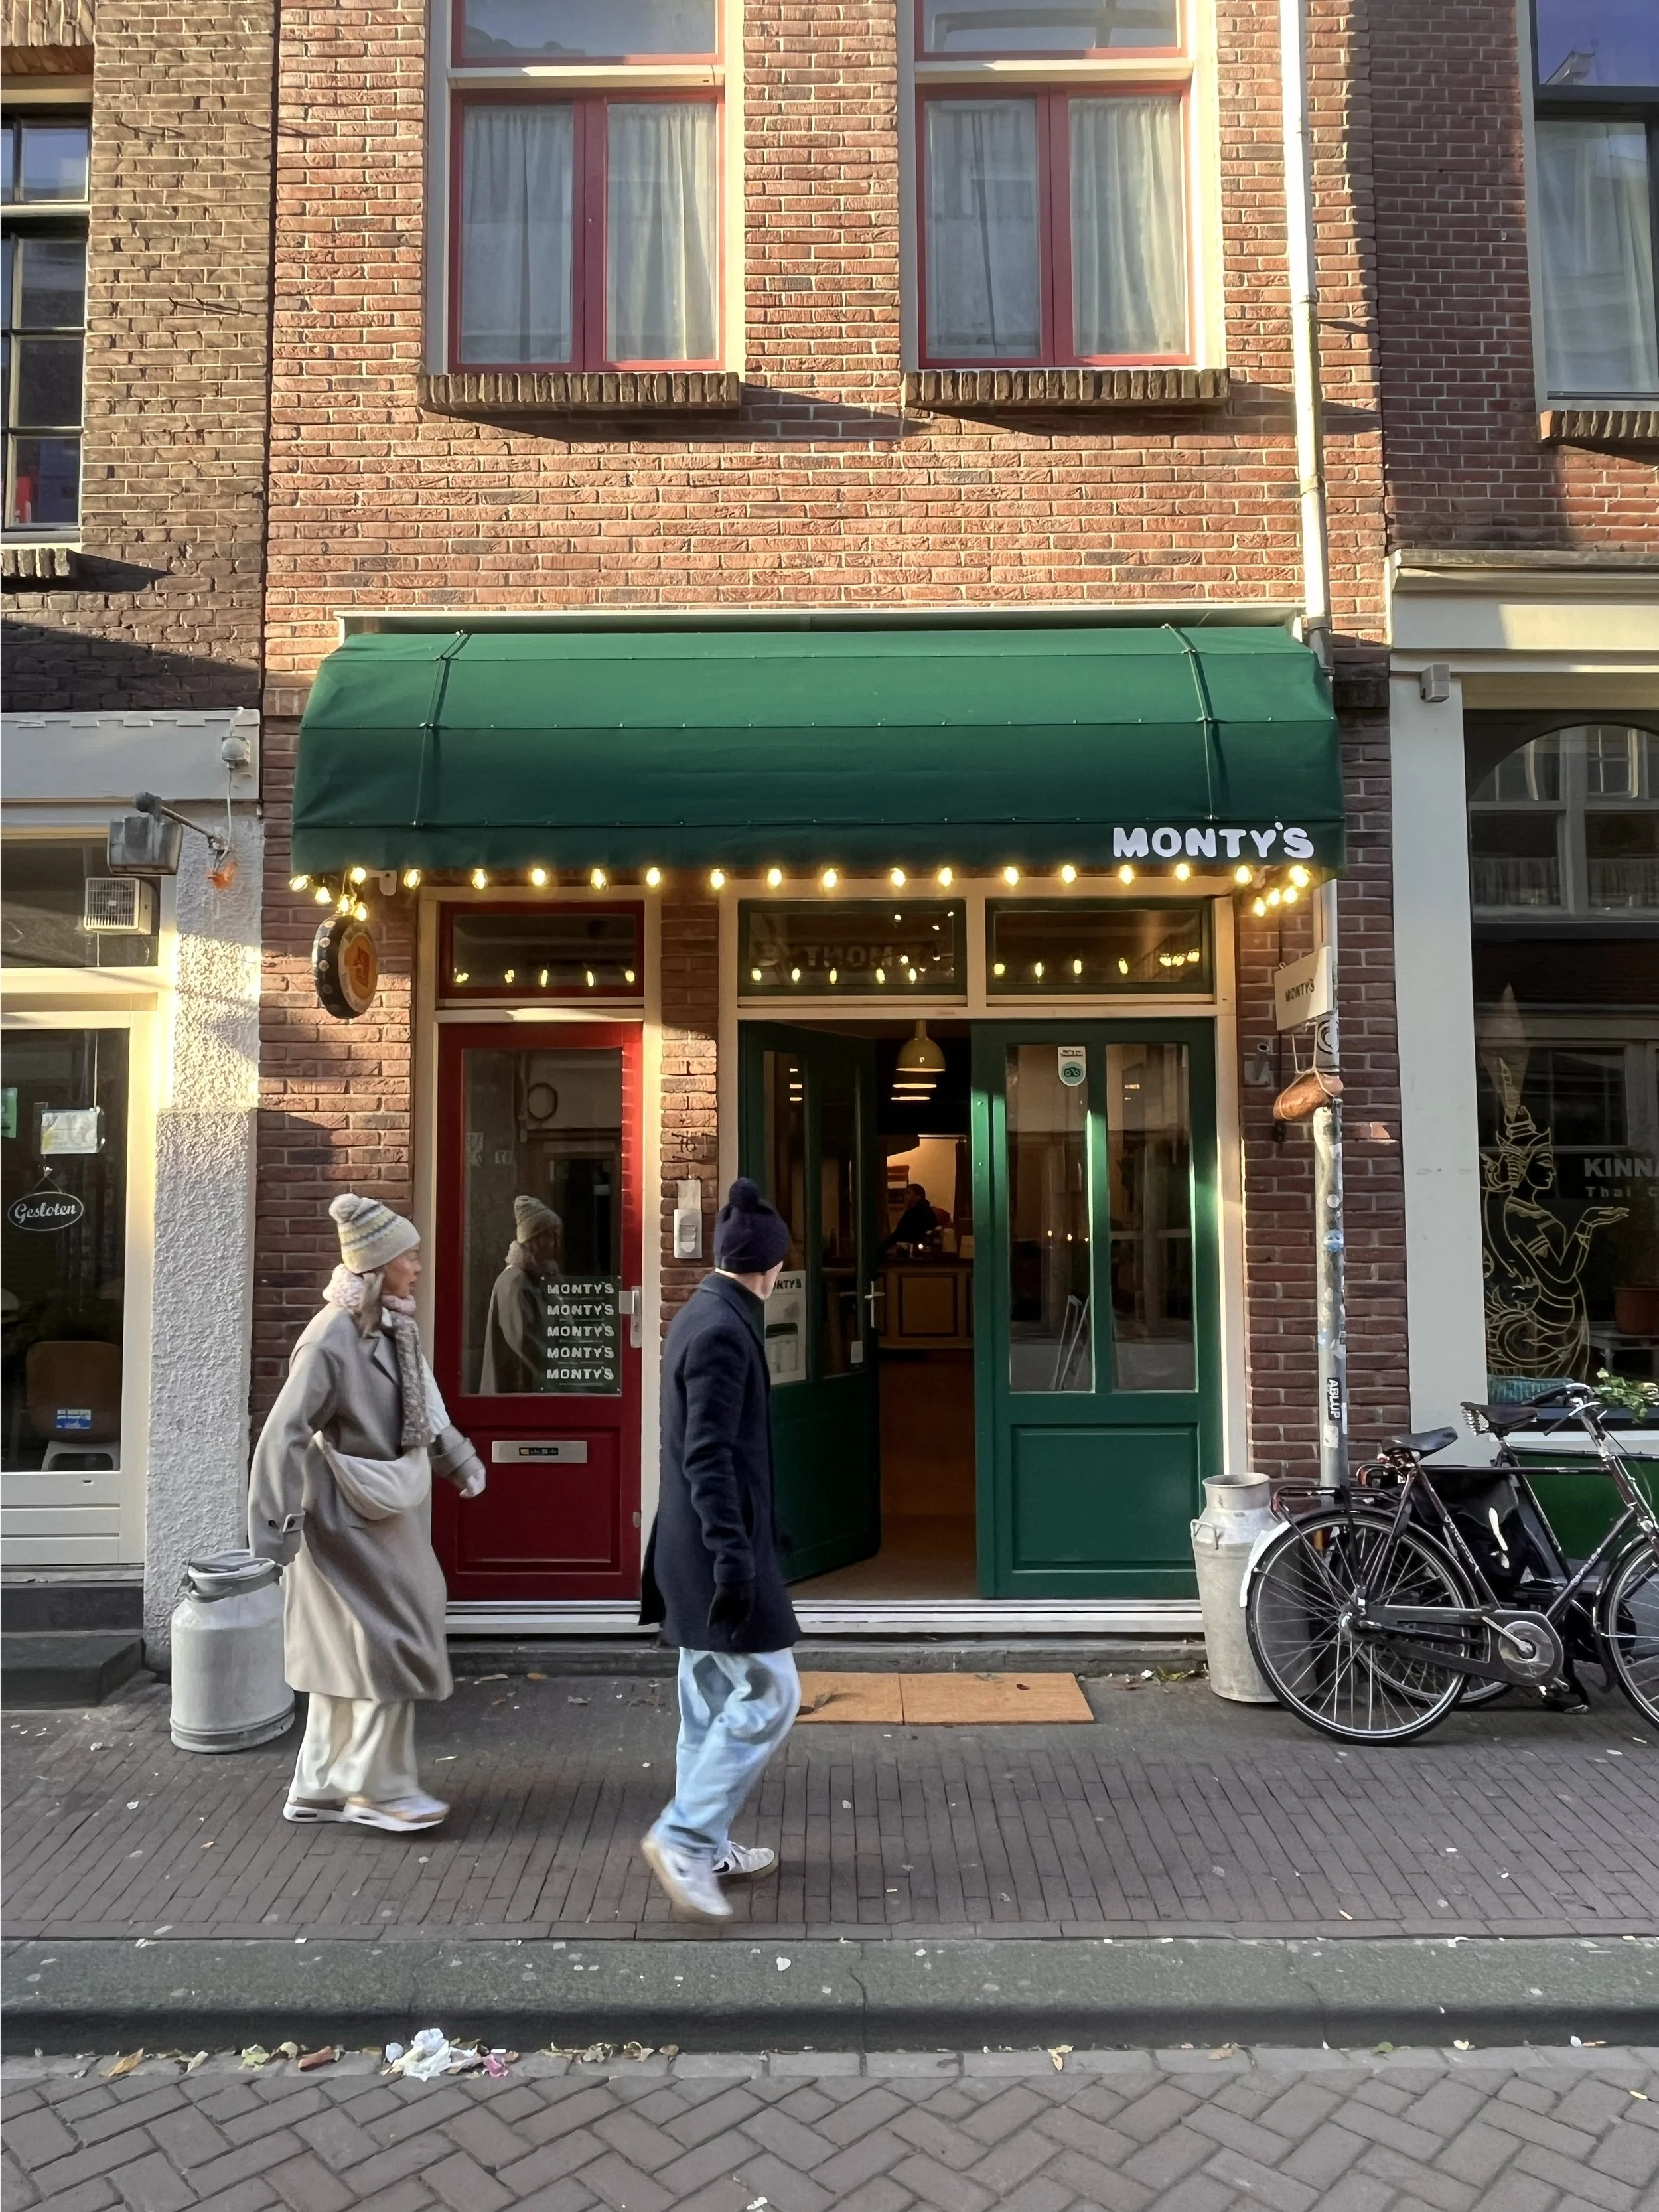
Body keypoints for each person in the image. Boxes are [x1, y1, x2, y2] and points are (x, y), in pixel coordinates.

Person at [249, 1193, 487, 1833]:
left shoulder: (393, 1326)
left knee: (347, 1651)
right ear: (379, 1266)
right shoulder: (330, 1340)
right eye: (410, 1257)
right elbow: (282, 1434)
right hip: (340, 1516)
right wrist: (274, 1532)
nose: (419, 1267)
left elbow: (421, 1405)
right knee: (397, 1637)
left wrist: (459, 1460)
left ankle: (320, 1783)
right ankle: (378, 1790)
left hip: (375, 1508)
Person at [639, 1176, 800, 1923]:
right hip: (713, 1553)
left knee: (707, 1703)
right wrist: (735, 1559)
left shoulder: (700, 1314)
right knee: (772, 1693)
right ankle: (685, 1838)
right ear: (773, 1265)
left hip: (692, 1544)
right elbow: (709, 1458)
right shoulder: (725, 1333)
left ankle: (707, 1846)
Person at [480, 1195, 563, 1393]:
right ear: (531, 1241)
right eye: (546, 1236)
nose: (552, 1244)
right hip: (514, 1398)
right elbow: (527, 1343)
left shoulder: (538, 1280)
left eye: (554, 1236)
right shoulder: (515, 1282)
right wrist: (565, 1375)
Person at [883, 1180, 942, 1254]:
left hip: (914, 1249)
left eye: (909, 1193)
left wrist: (882, 1248)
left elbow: (898, 1233)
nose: (906, 1195)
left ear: (918, 1196)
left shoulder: (914, 1212)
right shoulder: (929, 1210)